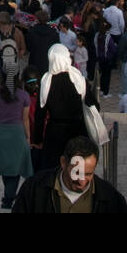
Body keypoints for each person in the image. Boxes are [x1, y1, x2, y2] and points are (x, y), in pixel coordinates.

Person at [11, 135, 127, 214]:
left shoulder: (111, 199)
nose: (82, 182)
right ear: (63, 162)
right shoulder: (34, 189)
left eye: (88, 174)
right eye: (76, 173)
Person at [35, 44, 94, 172]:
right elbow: (93, 105)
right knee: (76, 170)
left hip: (55, 133)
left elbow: (40, 114)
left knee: (55, 171)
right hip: (78, 131)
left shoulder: (46, 82)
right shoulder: (78, 79)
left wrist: (37, 138)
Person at [0, 55, 33, 209]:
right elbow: (25, 119)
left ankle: (8, 196)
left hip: (0, 132)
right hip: (17, 132)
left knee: (6, 167)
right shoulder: (24, 96)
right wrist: (28, 137)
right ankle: (8, 198)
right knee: (15, 168)